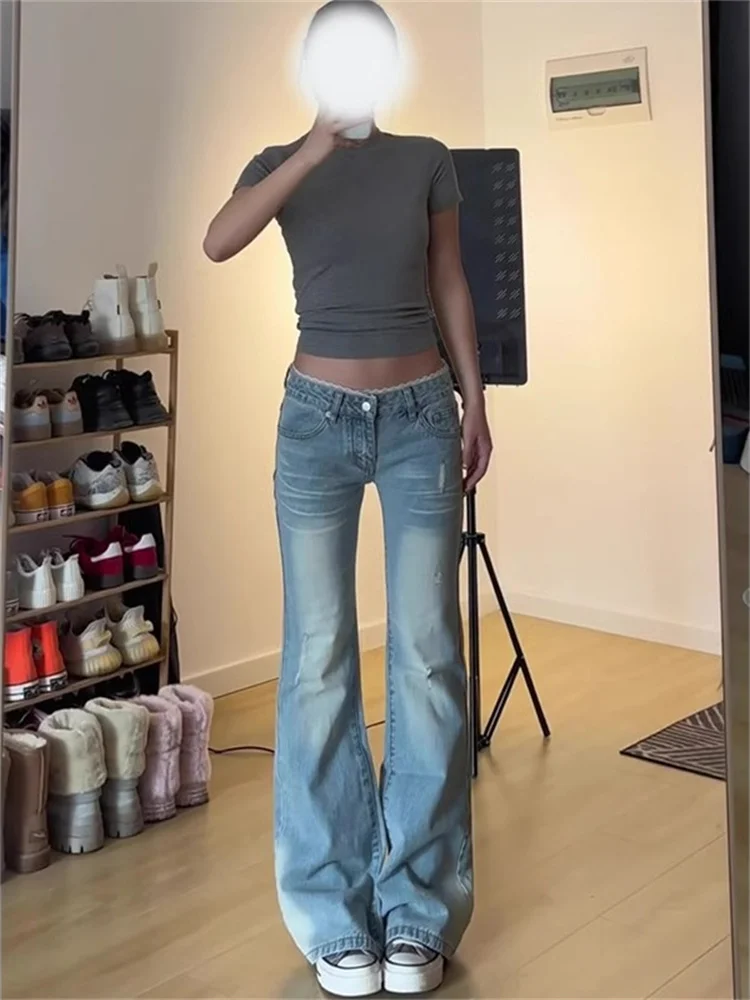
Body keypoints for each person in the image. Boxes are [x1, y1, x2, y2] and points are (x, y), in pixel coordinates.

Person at [204, 1, 492, 994]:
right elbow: (218, 240)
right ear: (314, 67)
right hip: (314, 424)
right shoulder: (279, 161)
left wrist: (476, 401)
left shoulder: (428, 159)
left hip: (420, 416)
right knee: (318, 661)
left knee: (427, 655)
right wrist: (315, 146)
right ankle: (334, 918)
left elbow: (450, 280)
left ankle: (417, 912)